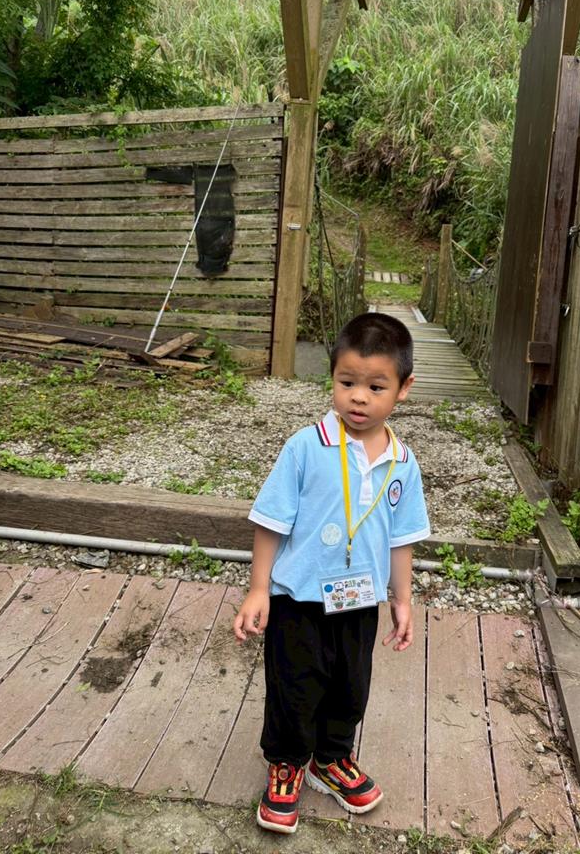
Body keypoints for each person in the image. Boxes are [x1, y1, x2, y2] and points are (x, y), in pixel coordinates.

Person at [233, 312, 430, 835]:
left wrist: (402, 599)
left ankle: (332, 757)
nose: (358, 398)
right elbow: (271, 522)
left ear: (404, 388)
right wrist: (259, 589)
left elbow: (402, 538)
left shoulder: (403, 463)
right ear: (332, 380)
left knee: (350, 686)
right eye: (347, 383)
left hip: (360, 601)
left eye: (376, 387)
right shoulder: (306, 446)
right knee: (293, 686)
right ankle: (287, 762)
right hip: (297, 599)